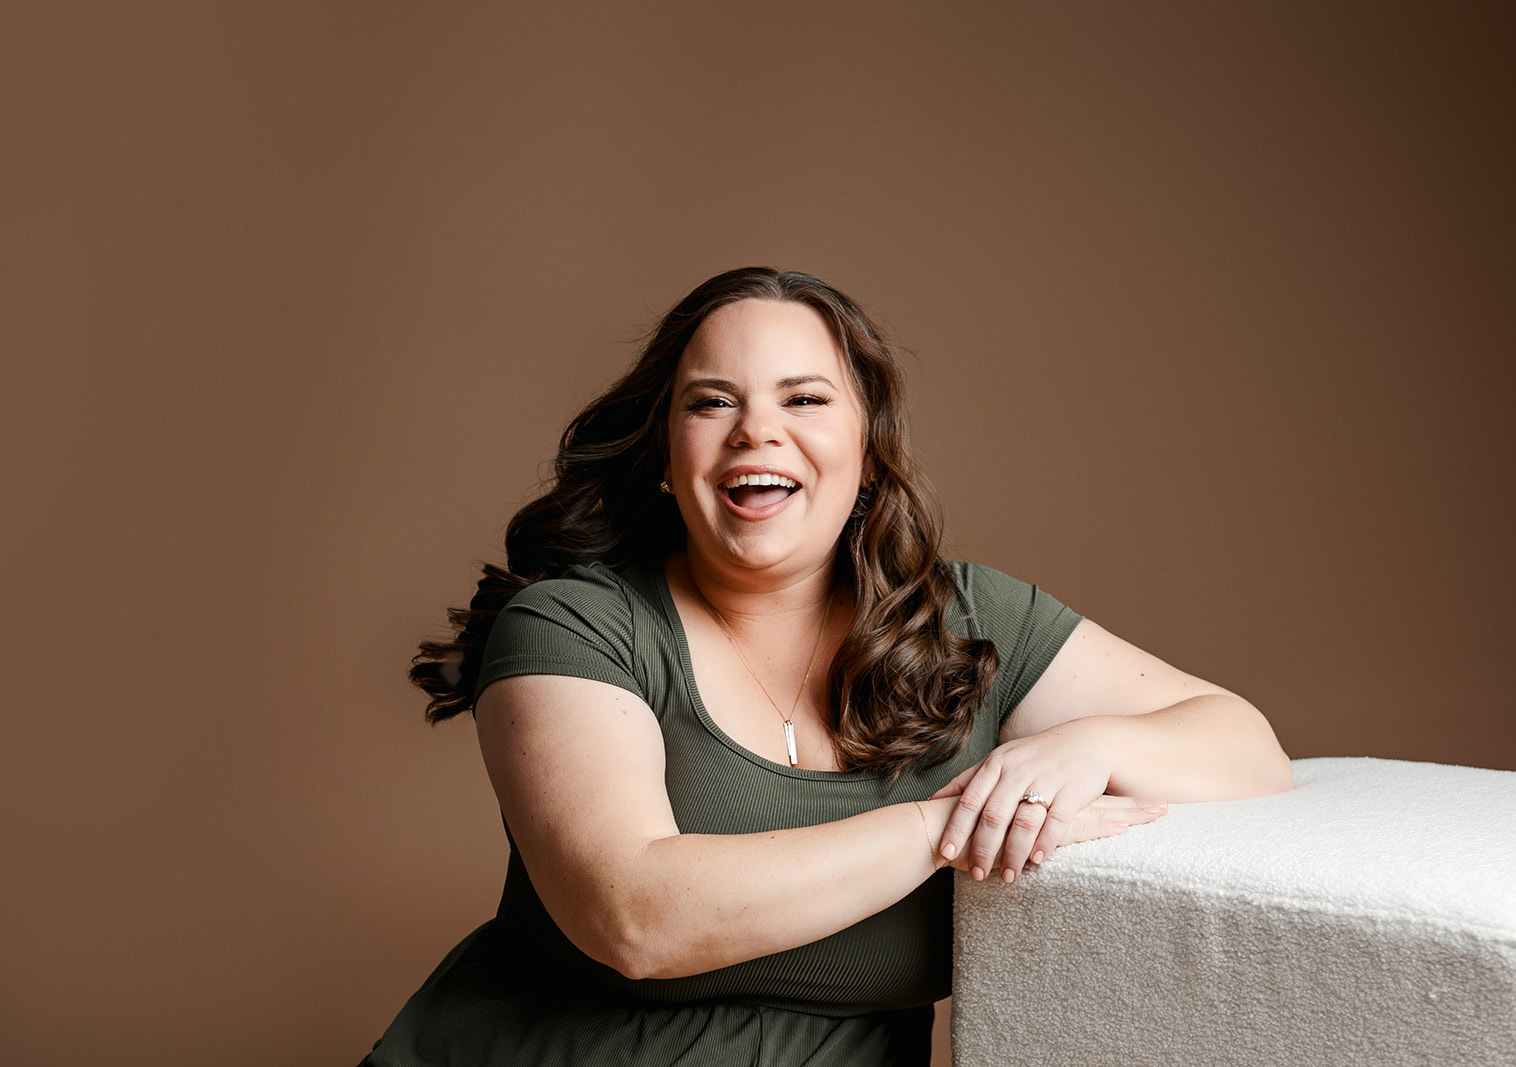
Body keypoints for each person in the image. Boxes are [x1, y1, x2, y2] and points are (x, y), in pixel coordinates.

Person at [362, 267, 1292, 1066]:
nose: (754, 431)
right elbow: (637, 917)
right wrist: (949, 824)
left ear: (867, 453)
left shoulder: (966, 620)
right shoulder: (573, 625)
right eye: (712, 400)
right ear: (664, 456)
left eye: (803, 398)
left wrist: (1085, 747)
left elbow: (1248, 747)